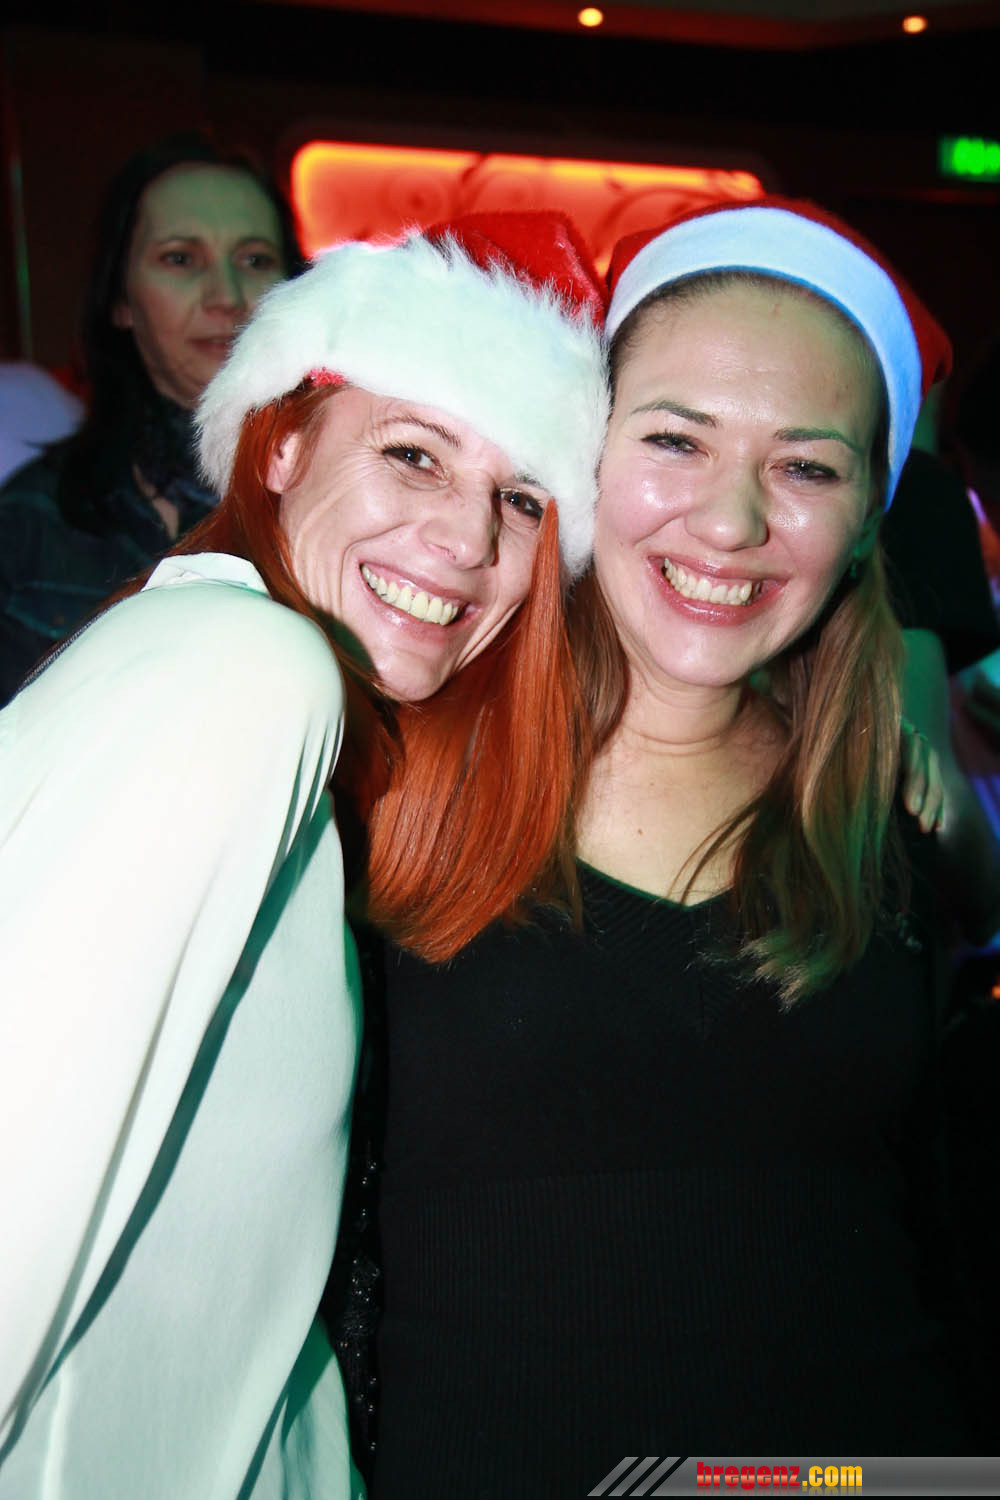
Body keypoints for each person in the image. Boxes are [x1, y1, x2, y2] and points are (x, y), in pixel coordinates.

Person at [371, 197, 1000, 1493]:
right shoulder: (397, 765)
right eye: (676, 439)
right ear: (587, 451)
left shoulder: (876, 814)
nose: (728, 522)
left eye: (807, 467)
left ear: (871, 516)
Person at [0, 211, 608, 1500]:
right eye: (413, 455)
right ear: (279, 447)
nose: (469, 543)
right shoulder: (242, 671)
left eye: (521, 499)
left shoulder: (279, 718)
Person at [0, 132, 304, 705]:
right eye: (181, 259)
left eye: (255, 260)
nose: (226, 295)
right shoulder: (33, 519)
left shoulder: (338, 499)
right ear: (122, 301)